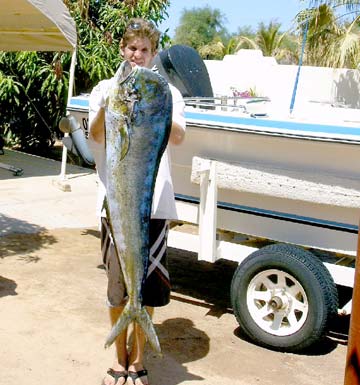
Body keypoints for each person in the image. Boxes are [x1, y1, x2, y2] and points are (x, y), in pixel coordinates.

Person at [88, 18, 186, 385]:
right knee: (118, 287)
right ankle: (119, 357)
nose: (138, 55)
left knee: (144, 289)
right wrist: (112, 104)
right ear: (122, 50)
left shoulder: (167, 92)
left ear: (153, 53)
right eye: (132, 49)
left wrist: (157, 106)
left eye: (145, 50)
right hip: (114, 205)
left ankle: (138, 360)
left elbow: (177, 139)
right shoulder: (105, 89)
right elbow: (95, 134)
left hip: (154, 205)